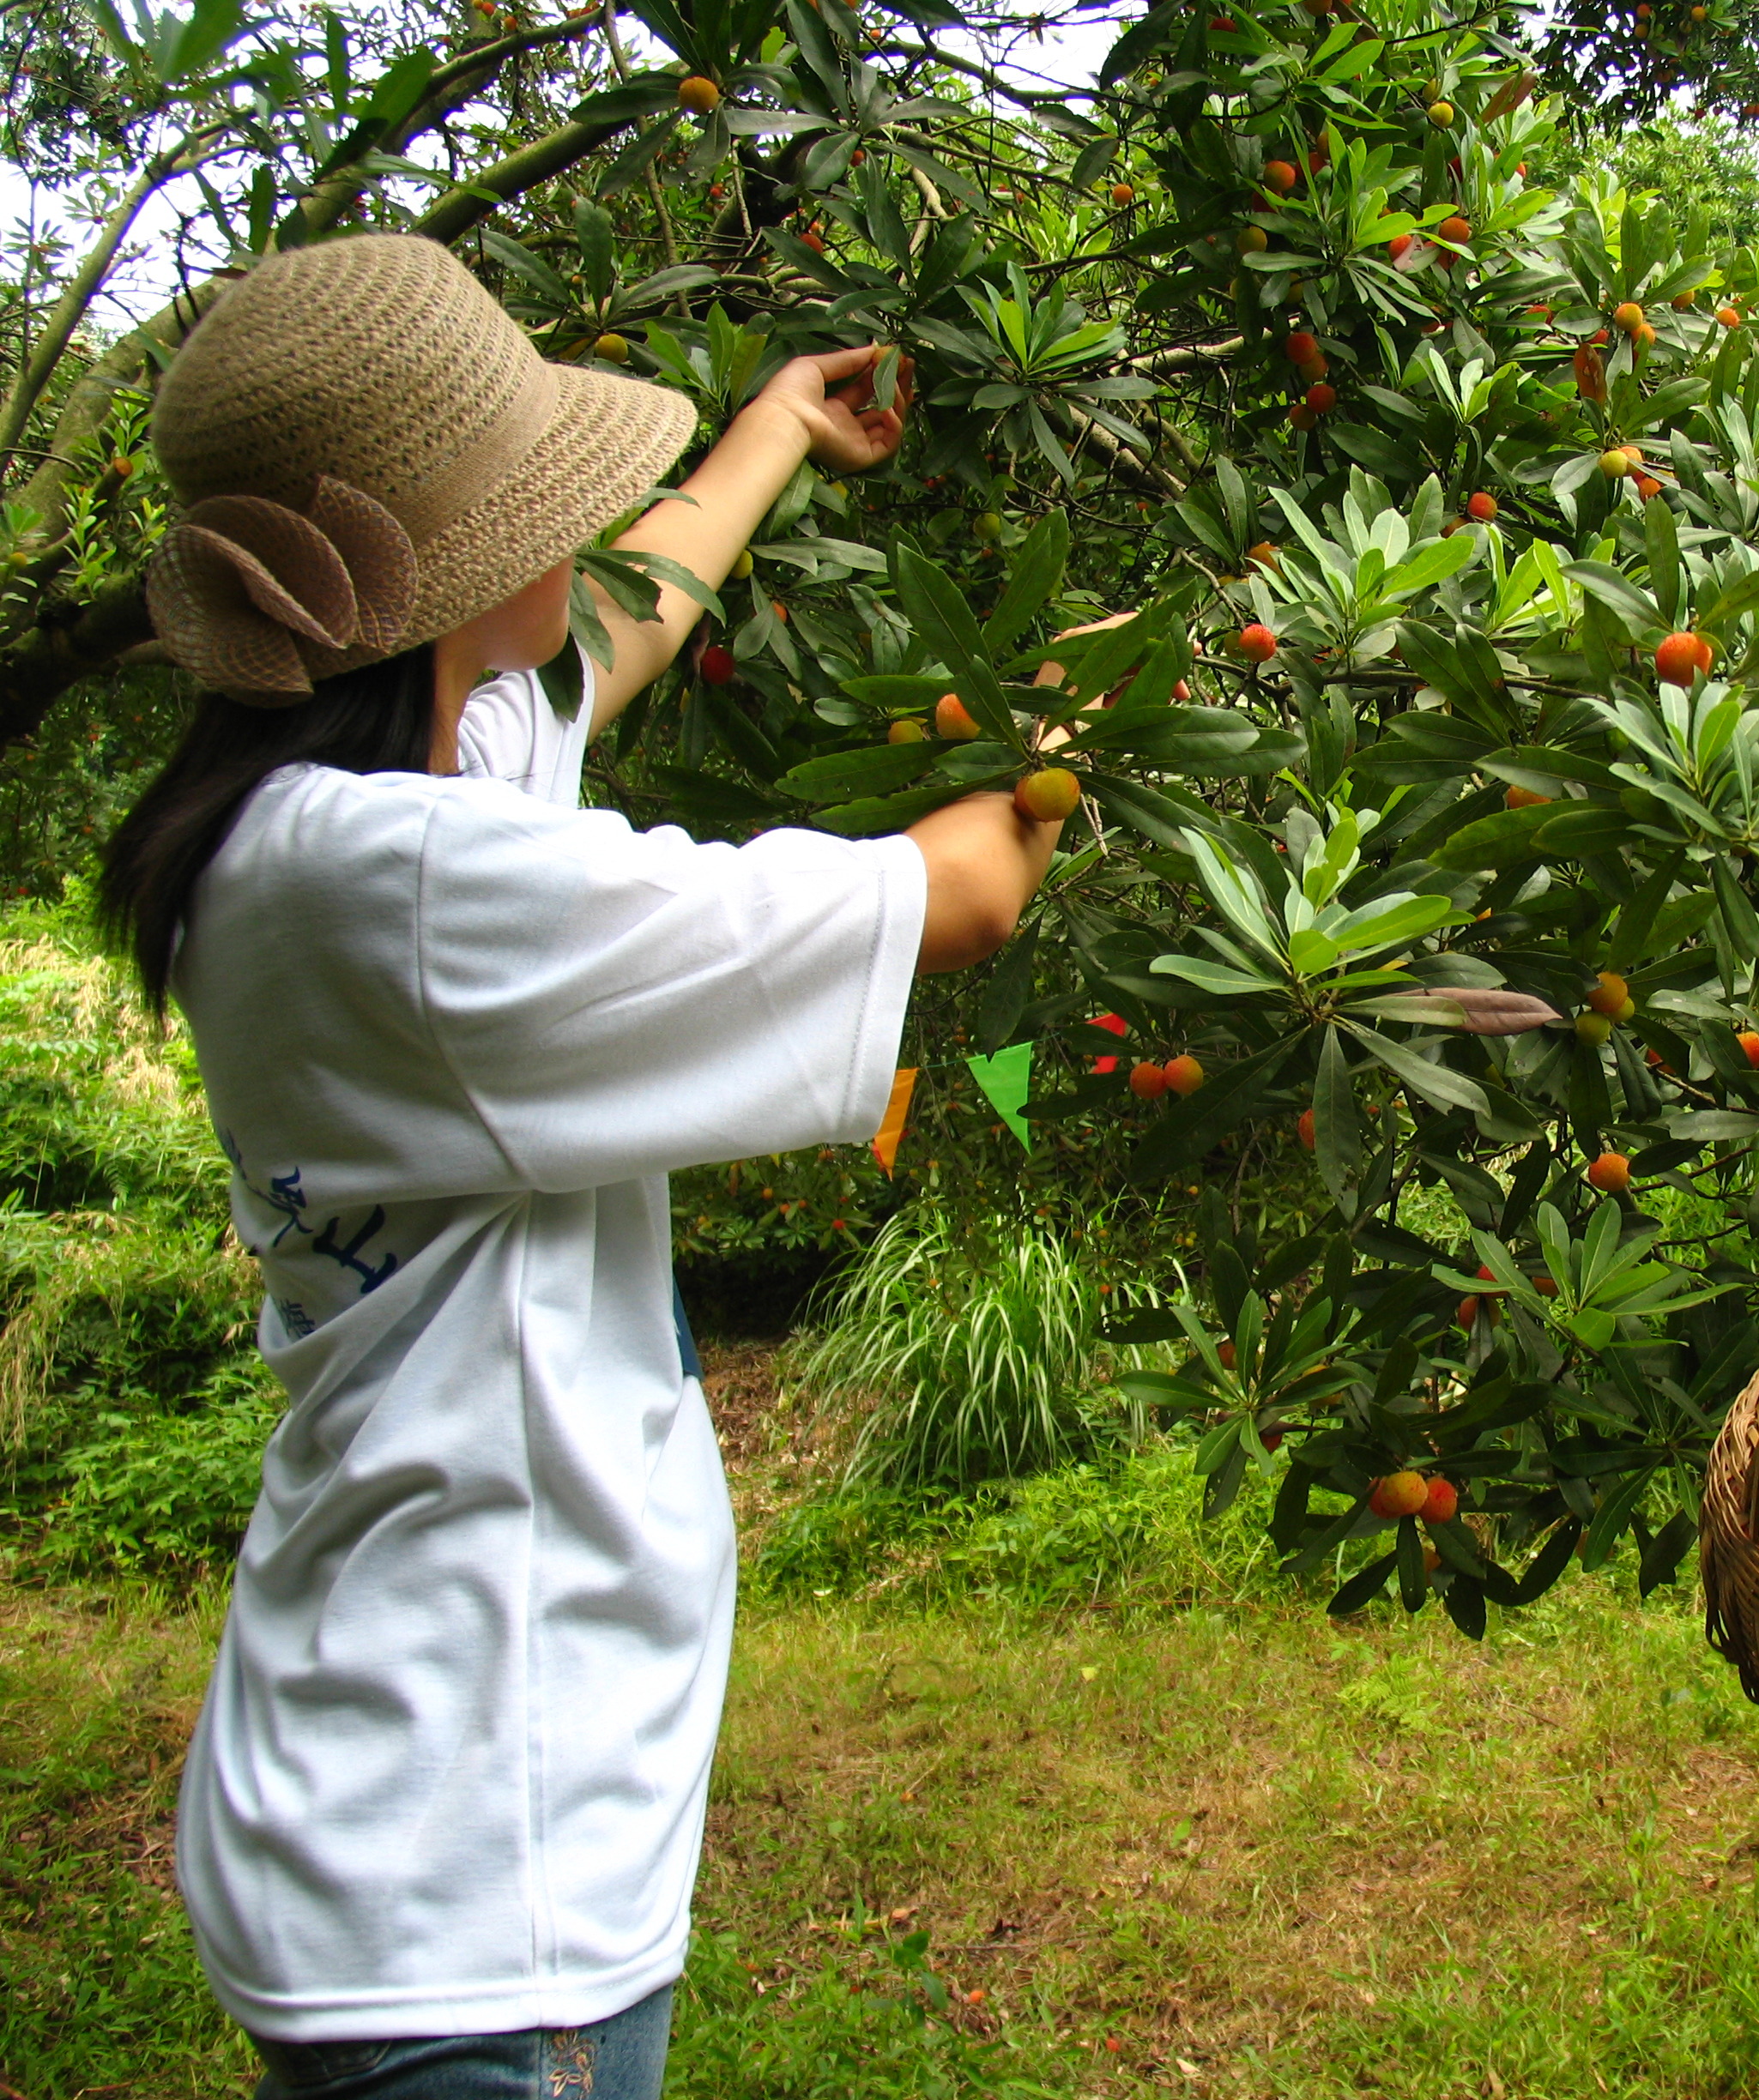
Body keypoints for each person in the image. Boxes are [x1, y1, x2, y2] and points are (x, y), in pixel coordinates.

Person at [100, 236, 1060, 2099]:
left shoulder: (319, 823)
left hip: (379, 1799)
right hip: (483, 1883)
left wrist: (772, 426)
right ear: (453, 569)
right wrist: (1105, 718)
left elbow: (610, 635)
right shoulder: (429, 894)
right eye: (547, 492)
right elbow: (960, 894)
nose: (590, 520)